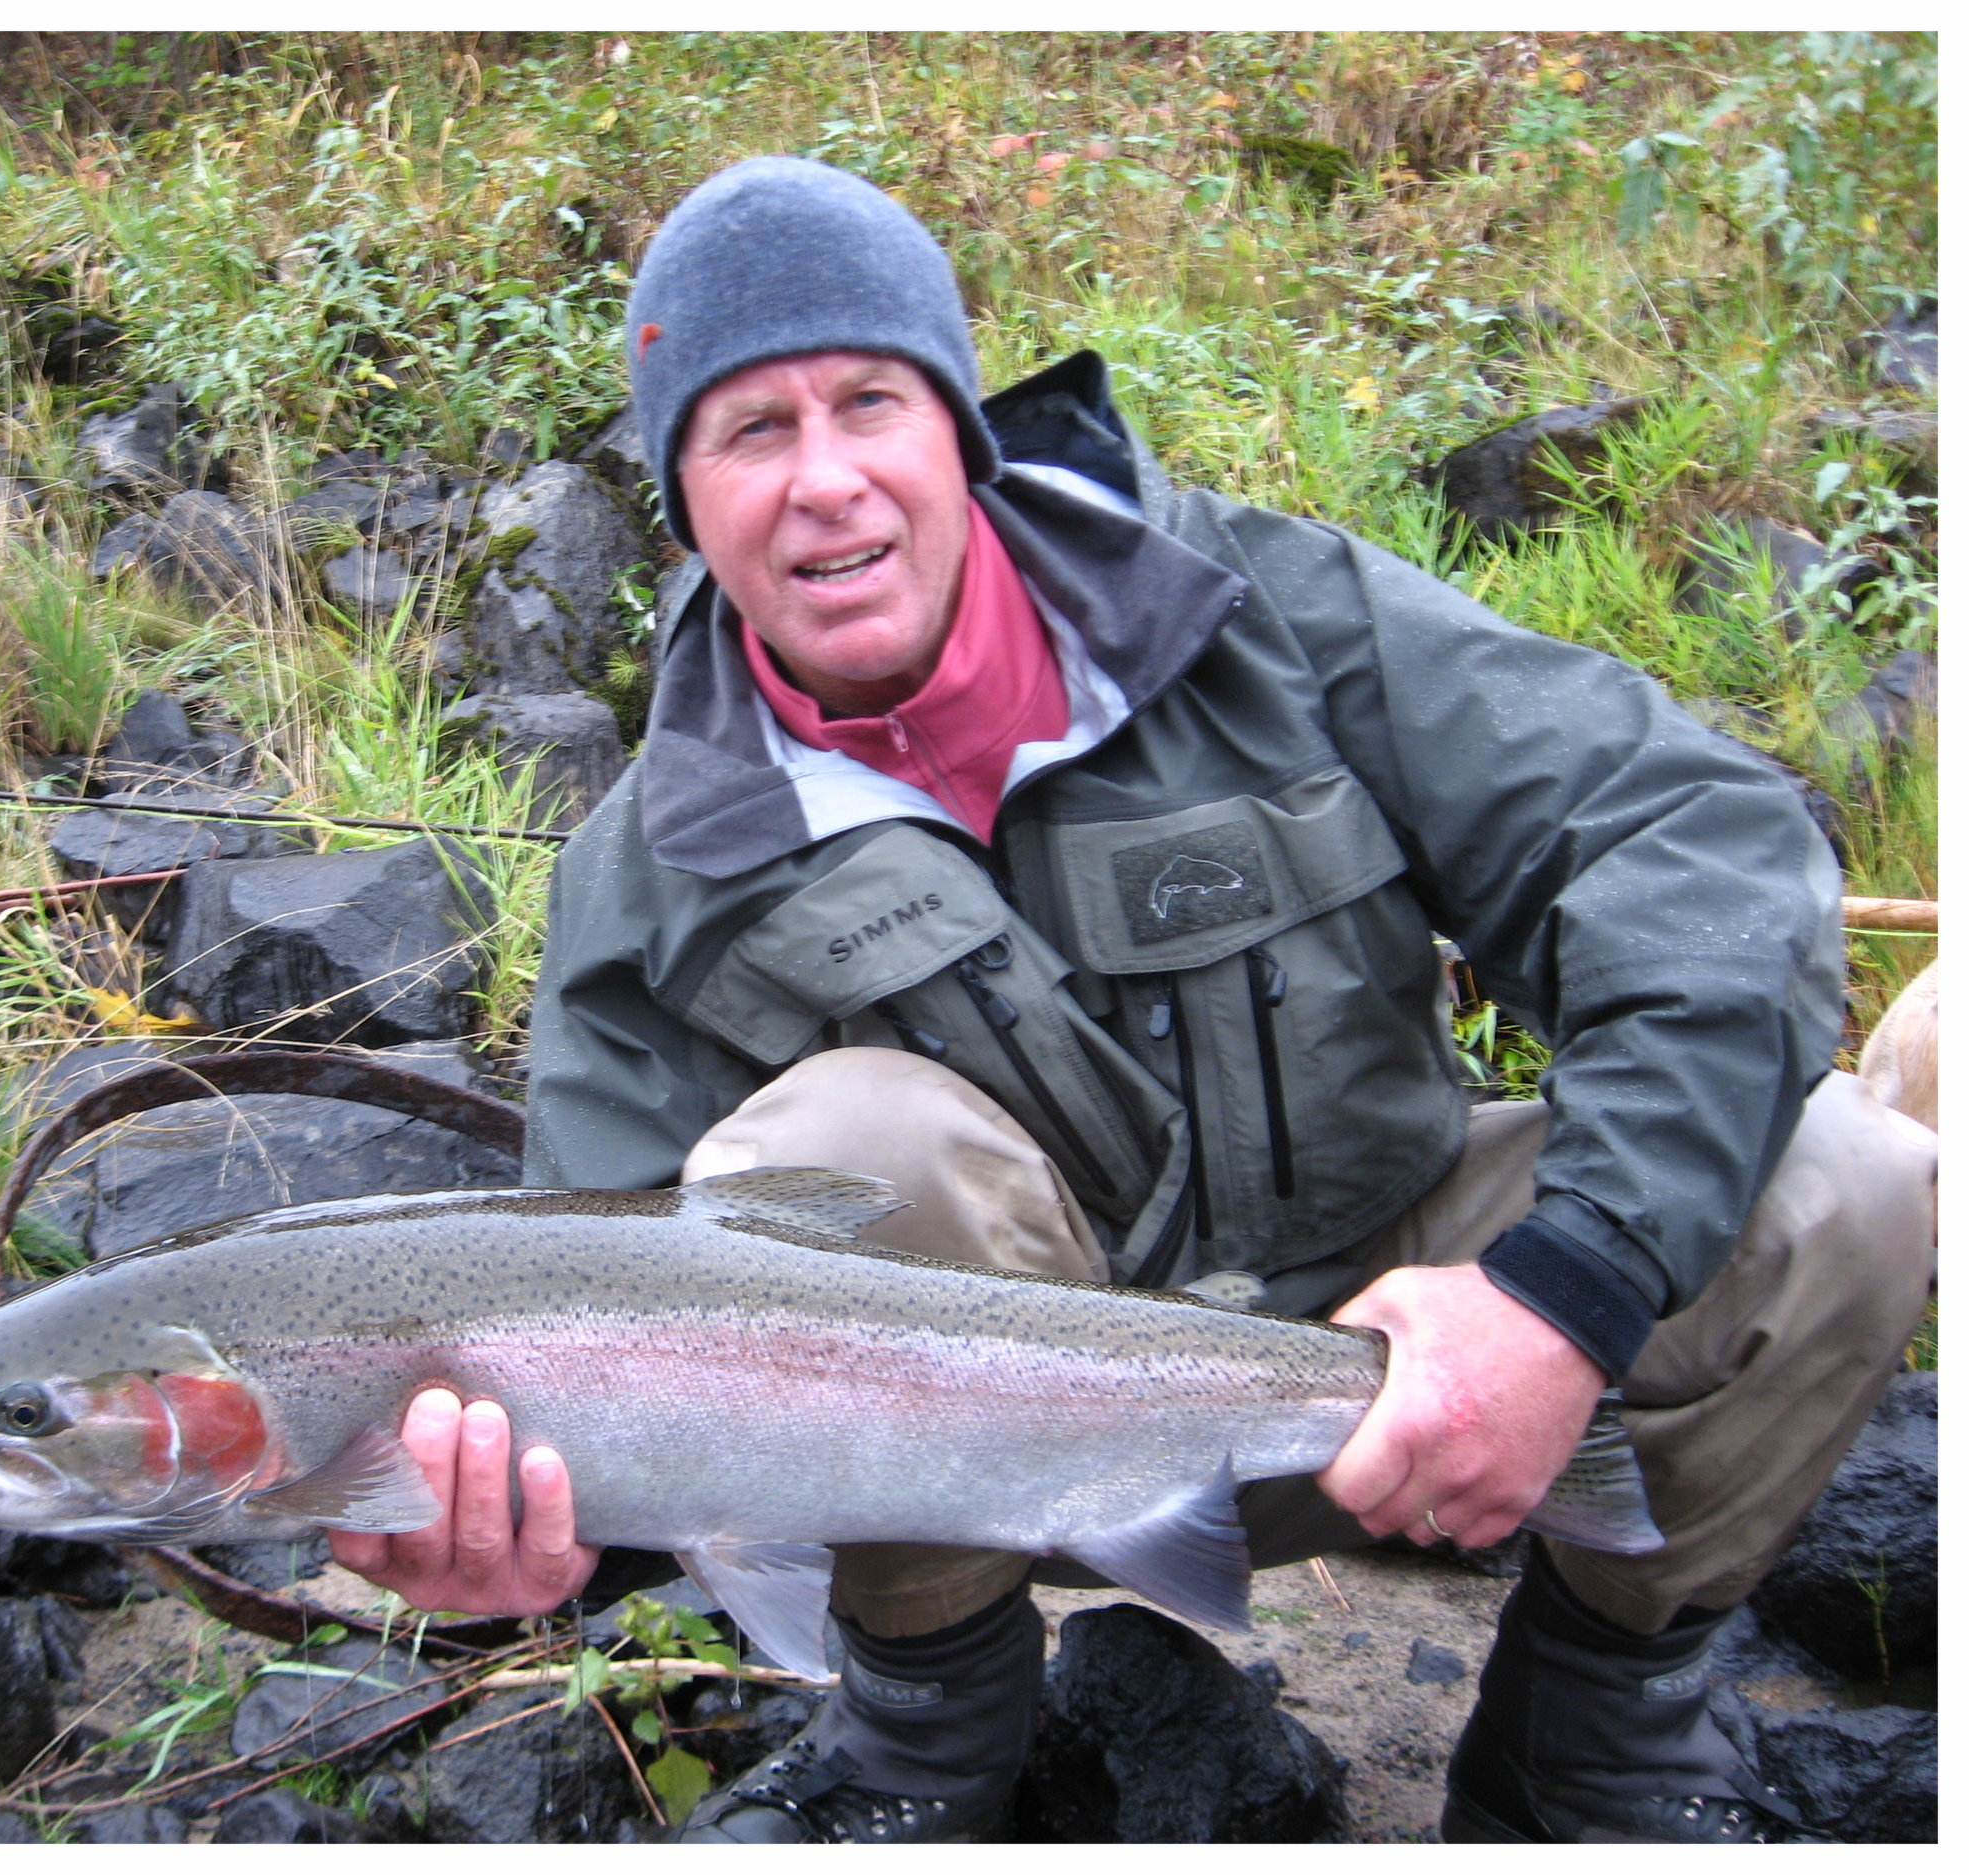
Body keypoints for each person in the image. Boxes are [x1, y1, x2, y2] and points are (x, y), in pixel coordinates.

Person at [328, 156, 1936, 1843]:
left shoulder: (1270, 615)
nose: (824, 482)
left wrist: (1563, 1293)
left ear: (958, 423)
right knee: (854, 1145)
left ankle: (1593, 1743)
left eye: (869, 401)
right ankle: (935, 1747)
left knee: (1840, 1179)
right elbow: (597, 1312)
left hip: (1391, 1357)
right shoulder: (640, 874)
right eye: (749, 432)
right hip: (979, 1473)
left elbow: (1703, 840)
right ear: (682, 500)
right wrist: (527, 1528)